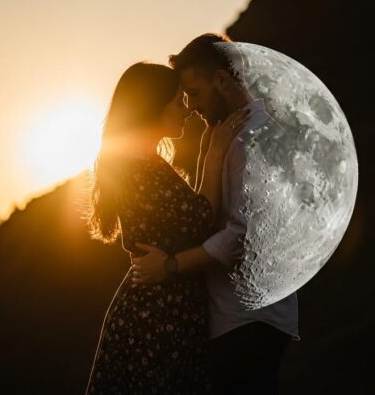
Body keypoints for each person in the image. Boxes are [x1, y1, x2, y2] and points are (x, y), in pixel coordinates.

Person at [131, 33, 300, 395]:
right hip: (238, 319)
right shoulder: (226, 133)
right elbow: (203, 218)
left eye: (194, 92)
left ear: (221, 80)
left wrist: (170, 266)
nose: (191, 106)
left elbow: (243, 236)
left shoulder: (253, 138)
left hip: (248, 321)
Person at [85, 61, 250, 394]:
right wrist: (216, 152)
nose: (187, 110)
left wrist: (207, 151)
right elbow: (201, 217)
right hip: (158, 315)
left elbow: (190, 216)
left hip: (159, 308)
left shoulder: (142, 163)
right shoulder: (142, 168)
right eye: (178, 102)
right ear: (153, 108)